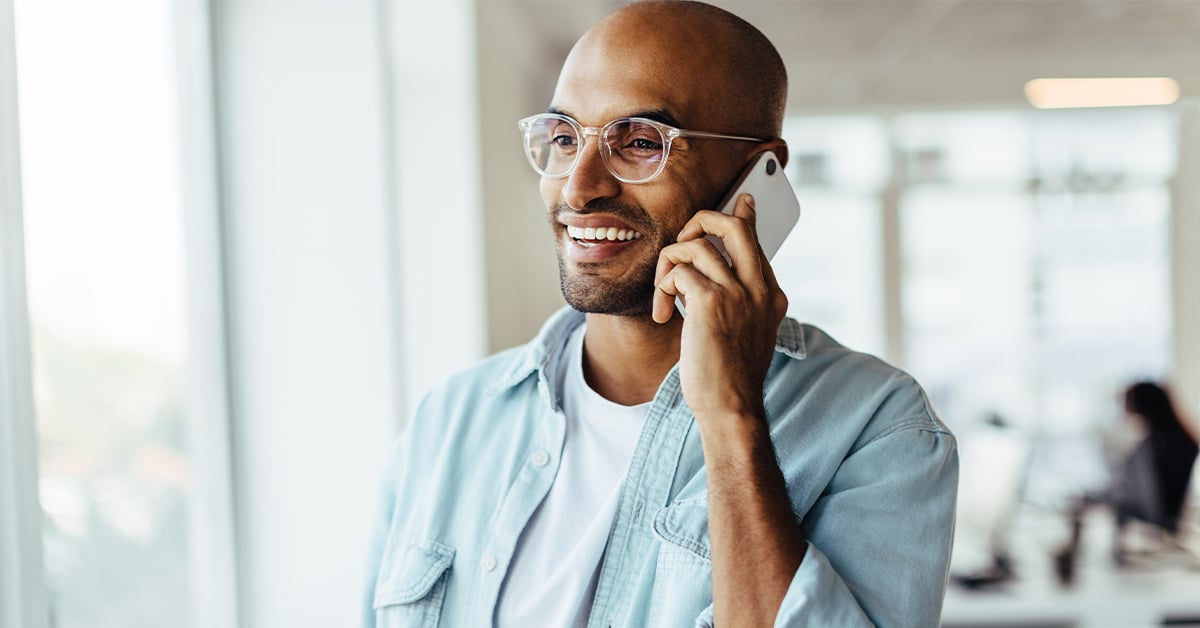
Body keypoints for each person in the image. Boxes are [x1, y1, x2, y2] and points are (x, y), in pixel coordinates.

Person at [363, 2, 958, 626]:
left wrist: (731, 417)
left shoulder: (879, 428)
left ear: (757, 172)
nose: (577, 186)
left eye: (641, 143)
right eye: (565, 139)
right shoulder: (451, 418)